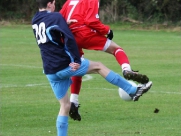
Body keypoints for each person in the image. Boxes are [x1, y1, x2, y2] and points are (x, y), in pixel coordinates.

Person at [32, 0, 152, 135]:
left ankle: (71, 109)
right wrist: (77, 59)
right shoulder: (56, 17)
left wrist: (63, 24)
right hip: (65, 65)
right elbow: (69, 38)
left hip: (50, 71)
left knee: (65, 106)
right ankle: (132, 90)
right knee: (99, 67)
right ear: (49, 4)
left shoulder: (35, 20)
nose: (55, 7)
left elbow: (51, 30)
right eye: (54, 4)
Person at [60, 0, 150, 121]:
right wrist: (107, 31)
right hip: (84, 33)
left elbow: (59, 19)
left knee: (78, 65)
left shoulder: (69, 1)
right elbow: (90, 20)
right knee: (116, 49)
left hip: (69, 37)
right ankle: (127, 70)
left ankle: (73, 102)